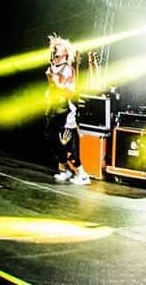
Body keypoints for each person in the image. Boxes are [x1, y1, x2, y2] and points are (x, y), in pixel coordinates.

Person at [45, 35, 90, 185]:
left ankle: (82, 174)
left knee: (67, 142)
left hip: (66, 110)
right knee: (54, 140)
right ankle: (65, 170)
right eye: (56, 46)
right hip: (55, 108)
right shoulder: (53, 66)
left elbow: (66, 91)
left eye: (60, 46)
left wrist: (54, 81)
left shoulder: (67, 69)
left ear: (65, 52)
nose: (57, 48)